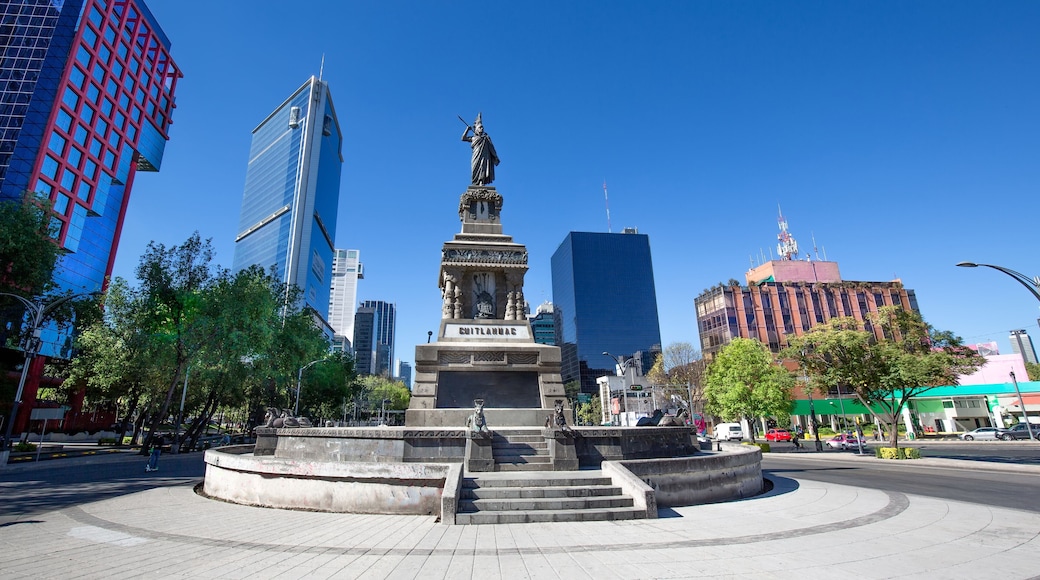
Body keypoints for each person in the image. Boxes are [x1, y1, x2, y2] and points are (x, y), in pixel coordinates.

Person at [461, 112, 499, 186]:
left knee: (483, 167)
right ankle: (476, 182)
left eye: (482, 127)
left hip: (484, 156)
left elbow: (491, 147)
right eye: (480, 127)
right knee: (475, 168)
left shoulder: (486, 138)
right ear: (476, 129)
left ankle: (481, 181)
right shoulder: (473, 138)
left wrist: (495, 156)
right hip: (476, 155)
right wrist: (467, 130)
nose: (482, 129)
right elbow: (463, 138)